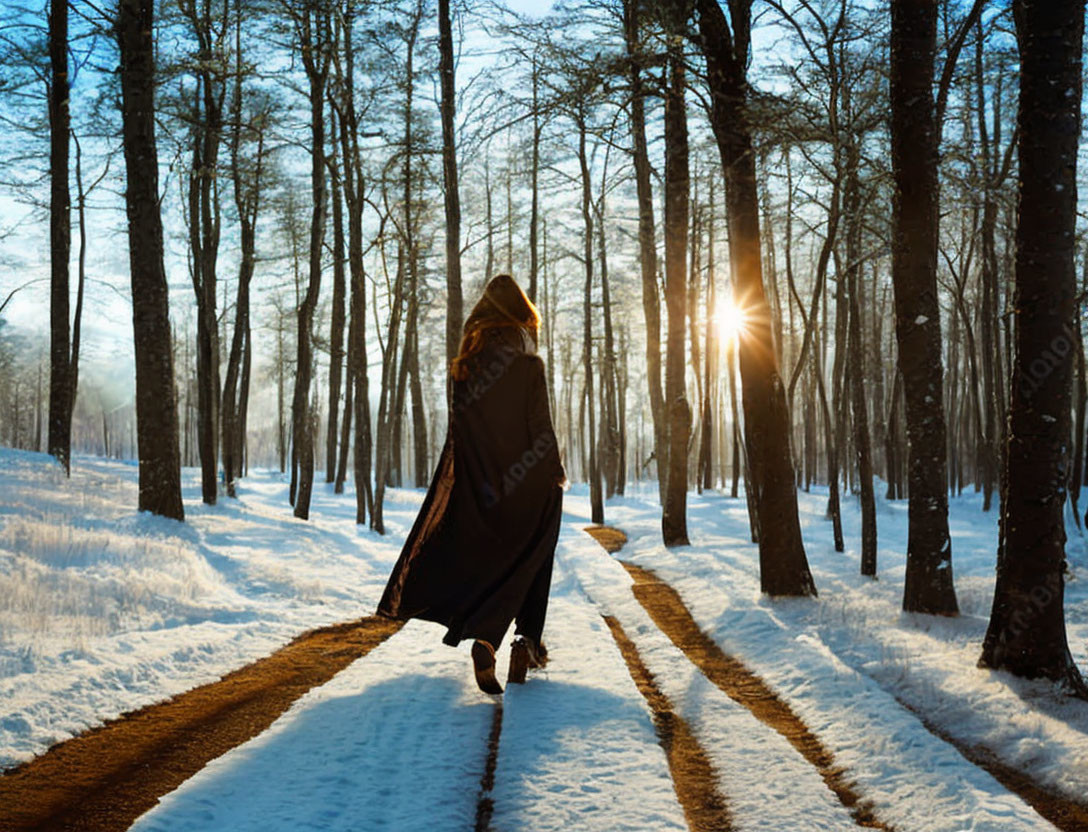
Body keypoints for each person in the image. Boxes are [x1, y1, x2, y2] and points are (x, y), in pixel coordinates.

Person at [377, 274, 565, 694]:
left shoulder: (463, 371)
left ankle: (495, 639)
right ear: (519, 319)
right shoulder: (528, 366)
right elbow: (540, 428)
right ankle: (523, 640)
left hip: (484, 490)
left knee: (497, 560)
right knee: (536, 553)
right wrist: (554, 473)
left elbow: (460, 435)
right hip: (530, 483)